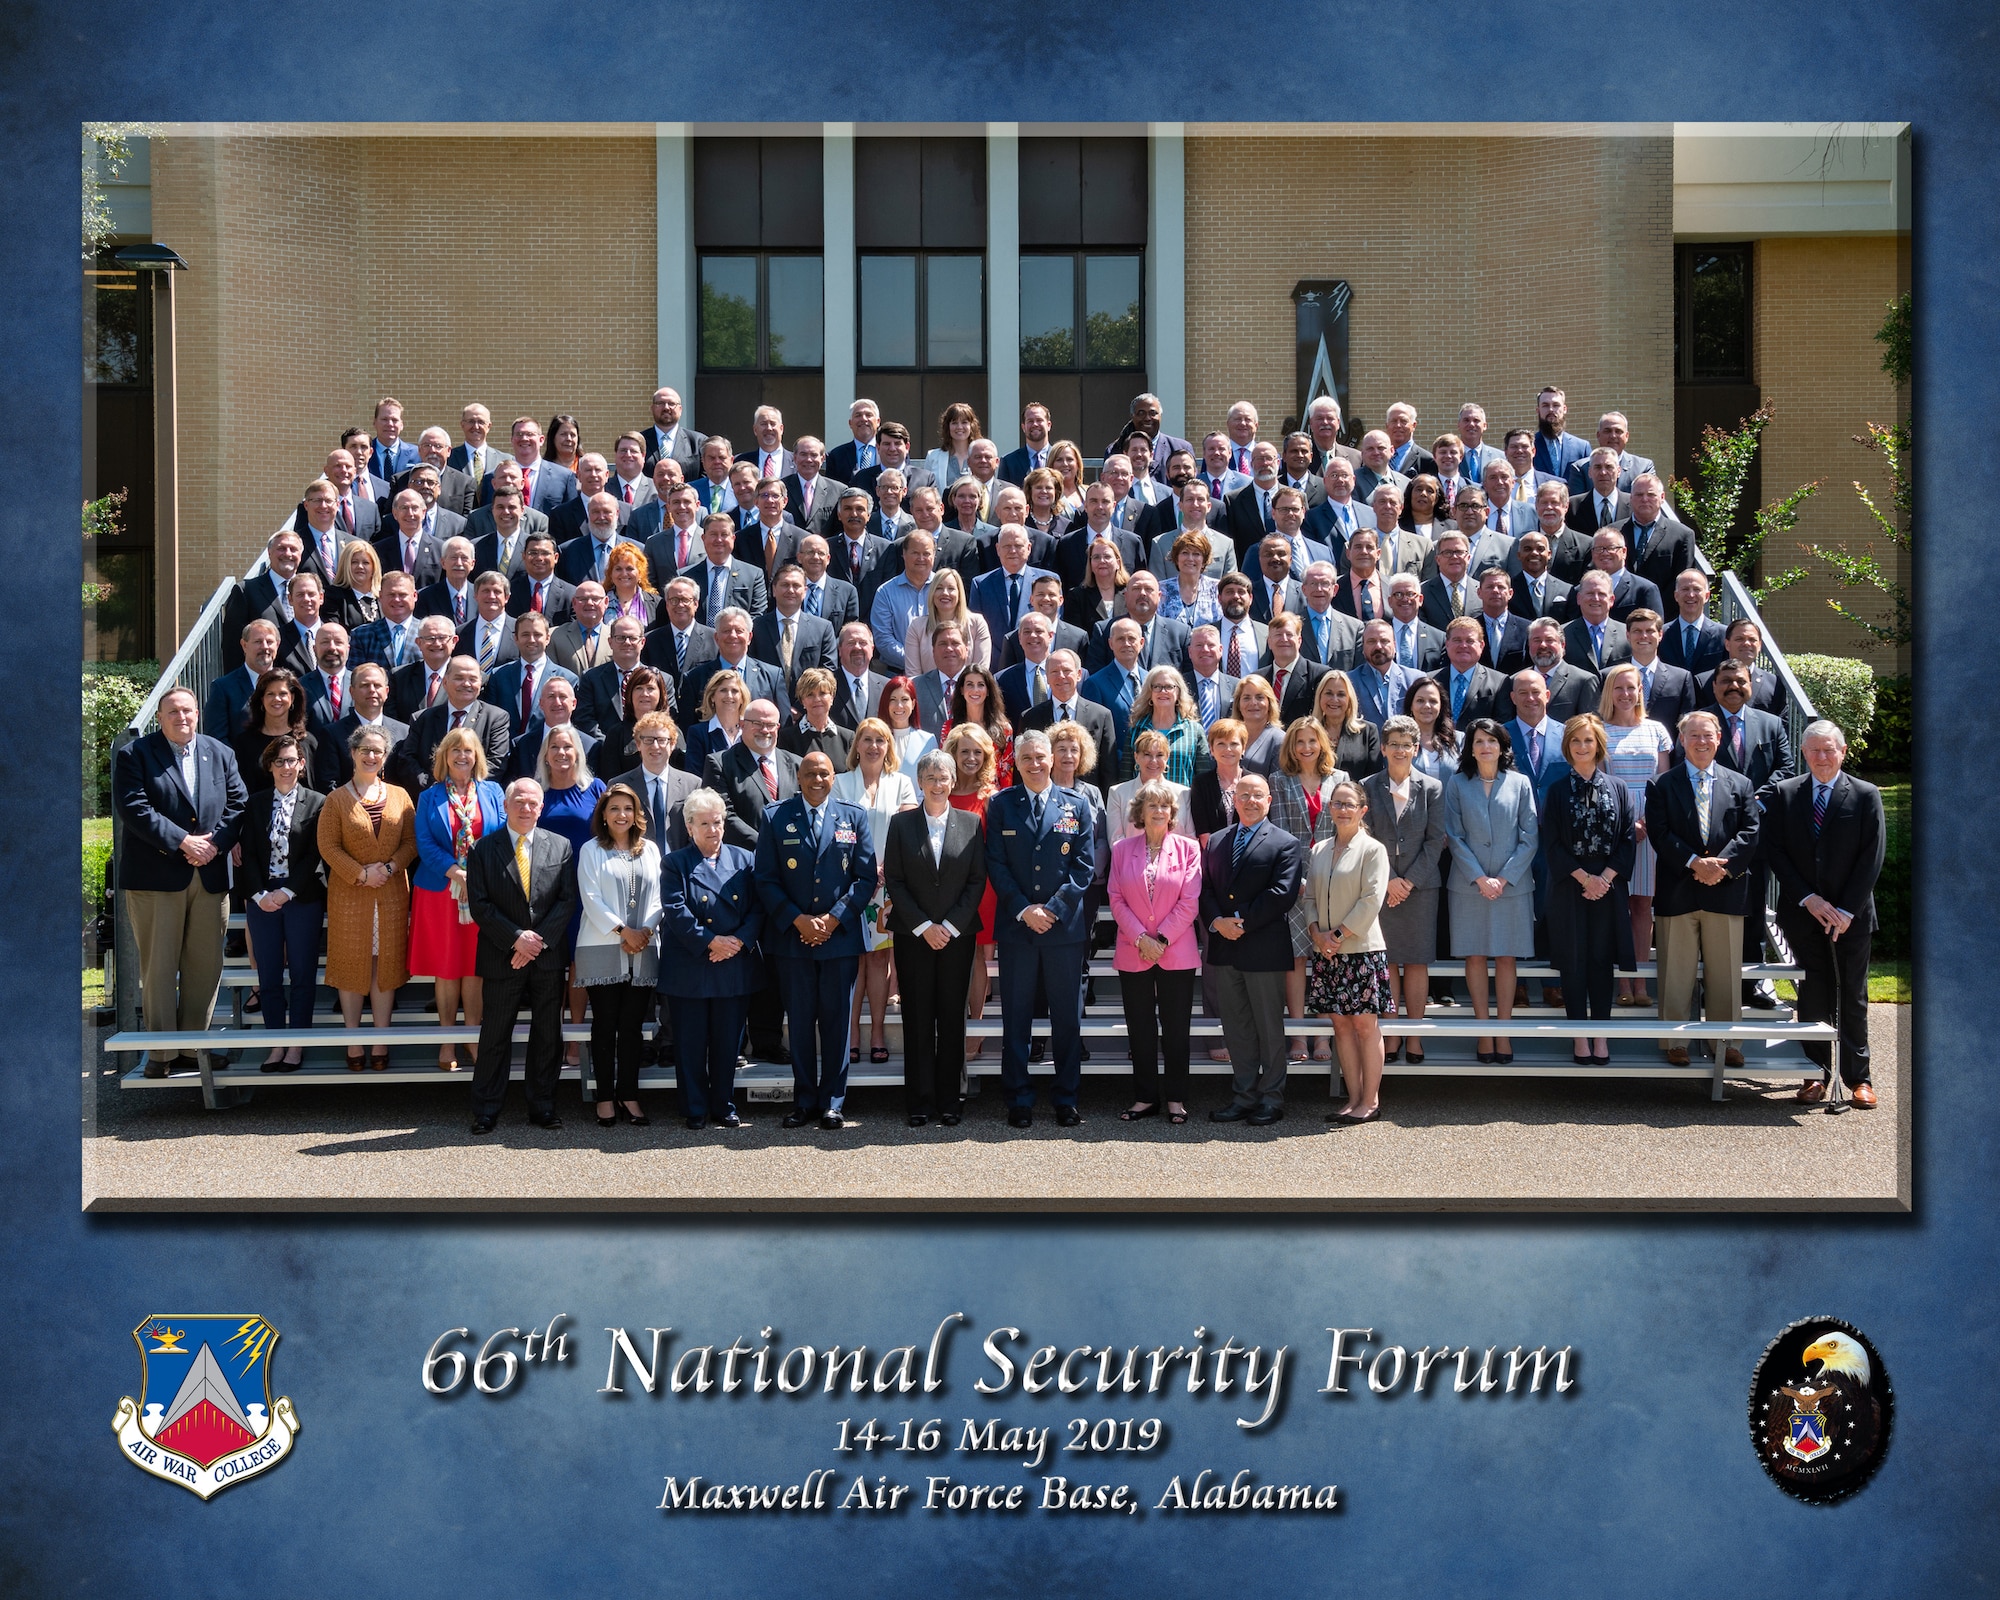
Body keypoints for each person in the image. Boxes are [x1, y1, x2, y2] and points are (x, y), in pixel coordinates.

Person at [112, 687, 247, 1077]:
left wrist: (215, 844)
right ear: (159, 717)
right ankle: (161, 1055)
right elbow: (134, 808)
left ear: (197, 714)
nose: (182, 717)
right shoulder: (135, 754)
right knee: (159, 967)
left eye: (187, 710)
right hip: (157, 876)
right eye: (173, 712)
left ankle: (193, 1049)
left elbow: (238, 806)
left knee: (204, 966)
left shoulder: (220, 753)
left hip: (209, 875)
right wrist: (183, 842)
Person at [1765, 721, 1885, 1107]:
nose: (1822, 757)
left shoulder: (1866, 795)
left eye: (1829, 749)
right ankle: (1814, 1075)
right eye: (1814, 750)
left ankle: (1858, 1079)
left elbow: (1872, 856)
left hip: (1852, 916)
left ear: (1843, 751)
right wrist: (1809, 899)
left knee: (1853, 993)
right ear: (1804, 753)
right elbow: (1776, 852)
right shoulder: (1786, 794)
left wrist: (1846, 910)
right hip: (1805, 914)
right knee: (1814, 993)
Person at [755, 751, 876, 1130]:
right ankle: (804, 1100)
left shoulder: (853, 816)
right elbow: (766, 879)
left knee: (838, 1024)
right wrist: (798, 920)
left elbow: (865, 878)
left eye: (824, 773)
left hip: (838, 939)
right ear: (799, 777)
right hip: (793, 941)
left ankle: (833, 1103)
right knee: (802, 1023)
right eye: (810, 773)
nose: (818, 779)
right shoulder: (775, 816)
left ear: (833, 777)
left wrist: (832, 918)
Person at [983, 729, 1095, 1128]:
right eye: (1026, 758)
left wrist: (1052, 909)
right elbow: (995, 863)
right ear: (1016, 761)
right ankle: (1019, 1098)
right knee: (1017, 1017)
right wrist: (1023, 909)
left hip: (1063, 930)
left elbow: (1084, 866)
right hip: (1018, 929)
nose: (1034, 764)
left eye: (1040, 757)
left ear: (1053, 759)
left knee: (1068, 1017)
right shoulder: (1001, 805)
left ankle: (1066, 1097)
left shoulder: (1077, 804)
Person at [1647, 711, 1761, 1068]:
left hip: (1724, 892)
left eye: (1708, 735)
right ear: (1681, 741)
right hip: (1678, 891)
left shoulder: (1740, 784)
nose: (1701, 742)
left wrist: (1719, 869)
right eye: (1693, 735)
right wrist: (1695, 863)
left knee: (1725, 975)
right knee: (1675, 974)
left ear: (1719, 739)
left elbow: (1750, 832)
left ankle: (1725, 1041)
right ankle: (1675, 1041)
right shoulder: (1663, 784)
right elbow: (1659, 833)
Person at [465, 779, 578, 1133]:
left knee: (548, 1034)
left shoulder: (560, 847)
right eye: (519, 801)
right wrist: (516, 939)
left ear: (541, 807)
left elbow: (566, 900)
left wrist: (536, 943)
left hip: (545, 957)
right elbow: (480, 905)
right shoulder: (483, 849)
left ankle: (542, 1106)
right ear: (506, 805)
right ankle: (485, 1109)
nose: (526, 808)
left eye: (532, 803)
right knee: (495, 1033)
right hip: (502, 955)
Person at [883, 750, 988, 1126]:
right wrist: (925, 926)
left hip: (957, 938)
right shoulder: (902, 825)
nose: (938, 784)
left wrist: (950, 926)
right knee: (918, 1018)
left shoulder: (972, 823)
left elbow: (976, 881)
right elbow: (894, 879)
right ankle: (919, 1100)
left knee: (951, 1018)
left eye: (944, 777)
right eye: (931, 778)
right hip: (914, 937)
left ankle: (950, 1099)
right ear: (920, 782)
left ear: (952, 781)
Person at [657, 787, 764, 1129]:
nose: (713, 830)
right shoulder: (675, 863)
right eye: (704, 824)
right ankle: (693, 1108)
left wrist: (738, 941)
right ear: (689, 828)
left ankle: (723, 1105)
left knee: (727, 1043)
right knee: (690, 1043)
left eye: (717, 822)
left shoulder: (744, 860)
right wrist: (710, 942)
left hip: (733, 963)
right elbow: (675, 910)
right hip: (691, 965)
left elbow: (758, 908)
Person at [1202, 772, 1305, 1125]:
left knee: (1268, 1027)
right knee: (1237, 1028)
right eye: (1243, 795)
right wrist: (1218, 923)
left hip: (1262, 947)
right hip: (1225, 949)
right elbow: (1206, 891)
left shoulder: (1285, 843)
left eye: (1257, 795)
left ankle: (1271, 1098)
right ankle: (1244, 1095)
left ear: (1269, 801)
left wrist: (1239, 922)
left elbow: (1282, 894)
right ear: (1235, 800)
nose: (1250, 801)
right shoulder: (1216, 841)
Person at [318, 723, 417, 1069]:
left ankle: (380, 1041)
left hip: (390, 894)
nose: (371, 756)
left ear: (385, 757)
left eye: (378, 751)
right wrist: (360, 874)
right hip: (350, 896)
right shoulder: (336, 798)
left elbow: (410, 842)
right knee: (351, 966)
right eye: (365, 750)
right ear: (353, 754)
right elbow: (327, 846)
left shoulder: (401, 797)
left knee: (384, 966)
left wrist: (388, 869)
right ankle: (353, 1041)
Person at [1542, 714, 1640, 1064]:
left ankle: (1601, 1036)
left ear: (1599, 744)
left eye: (1588, 740)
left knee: (1601, 962)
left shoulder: (1620, 788)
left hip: (1609, 888)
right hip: (1571, 887)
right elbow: (1551, 843)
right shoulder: (1556, 791)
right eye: (1575, 741)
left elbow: (1628, 840)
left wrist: (1605, 879)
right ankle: (1579, 1038)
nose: (1582, 747)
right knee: (1573, 962)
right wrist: (1585, 879)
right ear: (1567, 746)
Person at [1441, 719, 1539, 1064]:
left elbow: (1530, 836)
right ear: (1470, 747)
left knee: (1507, 957)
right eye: (1479, 741)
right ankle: (1484, 1033)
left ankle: (1504, 1032)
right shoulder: (1456, 783)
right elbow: (1453, 835)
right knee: (1476, 956)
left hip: (1512, 887)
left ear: (1502, 746)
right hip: (1469, 886)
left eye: (1491, 741)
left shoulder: (1520, 782)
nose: (1485, 747)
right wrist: (1480, 878)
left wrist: (1505, 878)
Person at [409, 727, 505, 1071]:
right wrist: (455, 872)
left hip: (482, 893)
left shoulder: (493, 792)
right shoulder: (429, 797)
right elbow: (424, 842)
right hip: (440, 892)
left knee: (475, 968)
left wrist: (476, 876)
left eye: (468, 750)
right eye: (455, 751)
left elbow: (503, 838)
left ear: (477, 755)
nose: (462, 756)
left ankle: (473, 1037)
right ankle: (447, 1041)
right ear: (444, 757)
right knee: (448, 968)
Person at [1109, 780, 1204, 1125]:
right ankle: (1145, 1098)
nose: (1160, 812)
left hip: (1175, 951)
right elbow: (1116, 900)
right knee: (1141, 1027)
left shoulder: (1188, 849)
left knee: (1177, 1028)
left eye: (1165, 806)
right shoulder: (1122, 850)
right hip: (1134, 951)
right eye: (1153, 806)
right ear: (1140, 812)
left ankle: (1177, 1098)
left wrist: (1160, 940)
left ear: (1173, 813)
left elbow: (1190, 901)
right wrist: (1140, 939)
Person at [233, 733, 324, 1071]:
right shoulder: (256, 804)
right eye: (280, 761)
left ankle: (296, 1046)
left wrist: (288, 892)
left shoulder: (318, 803)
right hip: (262, 898)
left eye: (293, 760)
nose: (287, 767)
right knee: (268, 975)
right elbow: (250, 853)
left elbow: (316, 855)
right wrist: (259, 895)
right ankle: (275, 1045)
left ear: (302, 765)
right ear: (269, 766)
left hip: (301, 896)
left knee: (302, 973)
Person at [575, 782, 663, 1128]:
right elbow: (591, 897)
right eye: (614, 809)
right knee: (605, 1024)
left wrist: (646, 930)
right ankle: (605, 1098)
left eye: (627, 808)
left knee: (631, 1027)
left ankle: (629, 1094)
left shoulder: (652, 851)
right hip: (602, 945)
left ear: (636, 814)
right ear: (603, 815)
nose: (621, 815)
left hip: (644, 945)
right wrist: (623, 931)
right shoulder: (591, 850)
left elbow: (659, 897)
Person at [1306, 779, 1393, 1123]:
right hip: (1327, 952)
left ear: (1362, 811)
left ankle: (1370, 1101)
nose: (1342, 810)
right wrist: (1317, 934)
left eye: (1349, 804)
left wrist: (1337, 935)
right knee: (1340, 1027)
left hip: (1360, 951)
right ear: (1329, 809)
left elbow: (1372, 900)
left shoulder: (1373, 850)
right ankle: (1352, 1098)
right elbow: (1310, 898)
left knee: (1364, 1027)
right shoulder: (1319, 850)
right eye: (1337, 804)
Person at [1361, 717, 1447, 1063]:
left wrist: (1408, 881)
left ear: (1416, 748)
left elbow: (1435, 839)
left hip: (1420, 888)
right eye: (1393, 743)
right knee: (1389, 961)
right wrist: (1389, 881)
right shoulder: (1366, 786)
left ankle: (1415, 1037)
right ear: (1383, 748)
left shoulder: (1433, 788)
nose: (1400, 750)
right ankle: (1392, 1035)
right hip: (1380, 888)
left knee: (1416, 961)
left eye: (1406, 744)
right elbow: (1364, 837)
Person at [835, 719, 920, 1065]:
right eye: (867, 739)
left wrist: (886, 870)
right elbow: (836, 831)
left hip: (889, 886)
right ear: (856, 746)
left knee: (880, 958)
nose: (873, 746)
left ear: (889, 747)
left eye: (880, 740)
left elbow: (908, 832)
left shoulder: (901, 784)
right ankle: (851, 1032)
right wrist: (865, 869)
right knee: (854, 959)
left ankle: (877, 1032)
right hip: (850, 883)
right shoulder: (840, 784)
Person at [1599, 662, 1675, 1005]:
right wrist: (1625, 823)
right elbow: (1597, 783)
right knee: (1615, 906)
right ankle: (1621, 986)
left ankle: (1641, 985)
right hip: (1612, 828)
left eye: (1632, 688)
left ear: (1640, 691)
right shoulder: (1598, 730)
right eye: (1619, 688)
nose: (1626, 694)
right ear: (1609, 692)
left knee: (1642, 906)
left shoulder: (1656, 730)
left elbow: (1664, 783)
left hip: (1650, 831)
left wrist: (1647, 823)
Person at [535, 725, 604, 1067]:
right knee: (550, 966)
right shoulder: (536, 792)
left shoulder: (595, 789)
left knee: (579, 964)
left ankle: (575, 1040)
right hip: (544, 892)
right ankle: (550, 1040)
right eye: (555, 747)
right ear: (545, 754)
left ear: (578, 752)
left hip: (584, 891)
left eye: (568, 747)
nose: (562, 753)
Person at [1279, 717, 1346, 1063]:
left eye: (1312, 740)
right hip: (1294, 886)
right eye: (1299, 741)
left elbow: (1348, 834)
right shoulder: (1278, 781)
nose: (1306, 748)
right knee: (1296, 961)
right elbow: (1276, 836)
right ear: (1291, 746)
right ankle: (1299, 1037)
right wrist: (1297, 879)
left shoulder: (1341, 780)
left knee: (1327, 960)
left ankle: (1322, 1037)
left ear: (1323, 743)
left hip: (1333, 882)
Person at [945, 723, 1002, 1055]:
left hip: (983, 889)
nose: (970, 758)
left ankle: (975, 1027)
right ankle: (952, 1023)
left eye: (977, 752)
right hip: (946, 887)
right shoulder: (941, 791)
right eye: (964, 751)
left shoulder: (991, 798)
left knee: (979, 956)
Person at [231, 669, 316, 795]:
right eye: (270, 694)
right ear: (261, 699)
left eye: (282, 693)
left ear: (292, 698)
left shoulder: (307, 742)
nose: (277, 699)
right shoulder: (244, 743)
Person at [1107, 729, 1194, 843]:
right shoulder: (1117, 793)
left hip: (1176, 860)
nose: (1153, 761)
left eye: (1159, 755)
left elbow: (1190, 840)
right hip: (1131, 860)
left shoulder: (1184, 793)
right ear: (1136, 757)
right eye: (1147, 754)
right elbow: (1115, 841)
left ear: (1167, 757)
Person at [1127, 666, 1208, 786]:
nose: (1163, 691)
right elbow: (1125, 776)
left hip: (1182, 802)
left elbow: (1204, 778)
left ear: (1178, 692)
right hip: (1142, 802)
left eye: (1169, 687)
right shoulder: (1136, 729)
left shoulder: (1194, 730)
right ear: (1150, 692)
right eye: (1157, 687)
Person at [941, 663, 1013, 787]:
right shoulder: (949, 728)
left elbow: (1007, 774)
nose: (975, 690)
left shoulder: (1004, 729)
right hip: (958, 795)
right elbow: (946, 767)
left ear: (988, 690)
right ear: (962, 690)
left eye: (981, 685)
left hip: (992, 797)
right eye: (970, 684)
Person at [1312, 668, 1381, 779]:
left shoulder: (1368, 732)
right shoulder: (1308, 731)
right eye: (1328, 693)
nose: (1334, 699)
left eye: (1341, 694)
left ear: (1350, 699)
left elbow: (1373, 779)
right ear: (1319, 697)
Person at [680, 668, 746, 773]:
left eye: (735, 691)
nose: (729, 696)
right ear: (712, 697)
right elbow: (694, 775)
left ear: (742, 698)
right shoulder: (698, 733)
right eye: (723, 690)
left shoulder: (750, 730)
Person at [1160, 530, 1223, 627]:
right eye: (1185, 553)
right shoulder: (1162, 589)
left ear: (1204, 560)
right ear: (1176, 558)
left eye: (1196, 554)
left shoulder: (1217, 588)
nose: (1190, 558)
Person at [879, 675, 936, 769]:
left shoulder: (928, 740)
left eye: (904, 699)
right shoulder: (875, 740)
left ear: (913, 704)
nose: (899, 706)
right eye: (893, 700)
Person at [327, 538, 384, 631]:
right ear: (345, 565)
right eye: (354, 562)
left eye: (366, 563)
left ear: (374, 567)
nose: (360, 566)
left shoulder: (384, 596)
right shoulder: (332, 596)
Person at [924, 402, 981, 492]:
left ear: (972, 426)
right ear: (947, 426)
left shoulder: (981, 456)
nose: (959, 427)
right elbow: (927, 490)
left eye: (964, 422)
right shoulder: (933, 457)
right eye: (954, 423)